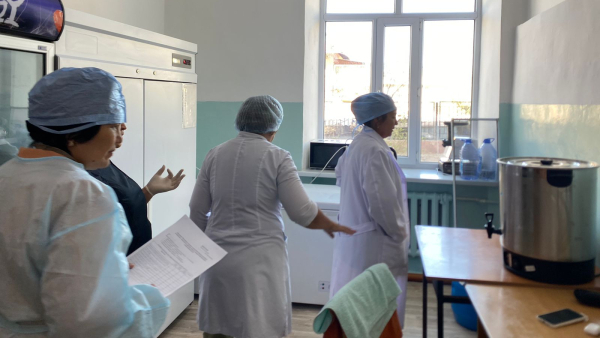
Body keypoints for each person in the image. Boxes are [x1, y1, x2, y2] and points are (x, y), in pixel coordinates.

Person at [0, 67, 169, 337]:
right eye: (113, 125)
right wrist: (146, 296)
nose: (121, 135)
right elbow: (91, 321)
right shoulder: (84, 193)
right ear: (74, 133)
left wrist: (103, 270)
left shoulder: (8, 175)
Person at [190, 95, 355, 338]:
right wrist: (330, 224)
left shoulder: (214, 154)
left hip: (218, 261)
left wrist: (200, 252)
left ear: (240, 121)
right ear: (274, 129)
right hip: (258, 264)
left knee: (218, 328)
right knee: (258, 328)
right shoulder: (278, 157)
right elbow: (302, 212)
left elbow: (197, 209)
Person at [330, 92, 410, 327]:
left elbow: (341, 178)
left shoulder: (358, 145)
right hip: (374, 244)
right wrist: (399, 234)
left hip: (359, 239)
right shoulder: (374, 150)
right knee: (373, 313)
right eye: (393, 117)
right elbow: (382, 206)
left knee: (359, 310)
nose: (396, 122)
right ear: (377, 120)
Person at [89, 123, 185, 254]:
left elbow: (123, 208)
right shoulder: (81, 179)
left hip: (135, 255)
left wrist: (149, 191)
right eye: (113, 124)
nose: (124, 127)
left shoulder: (102, 162)